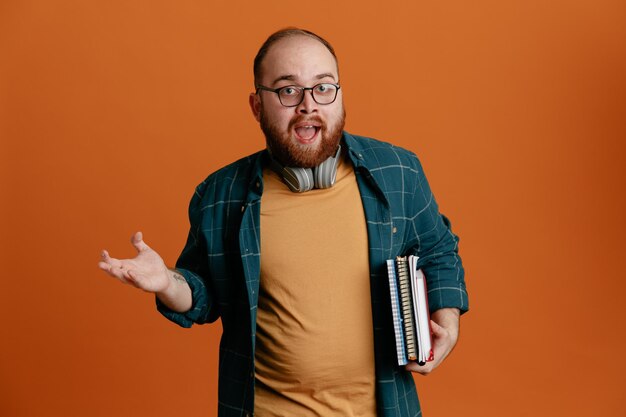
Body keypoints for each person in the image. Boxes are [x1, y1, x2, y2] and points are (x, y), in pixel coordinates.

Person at [99, 28, 469, 417]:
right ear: (257, 106)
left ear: (340, 96)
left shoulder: (398, 172)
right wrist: (165, 283)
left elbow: (438, 250)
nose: (308, 105)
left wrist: (447, 327)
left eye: (323, 88)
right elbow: (203, 295)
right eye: (288, 91)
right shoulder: (222, 194)